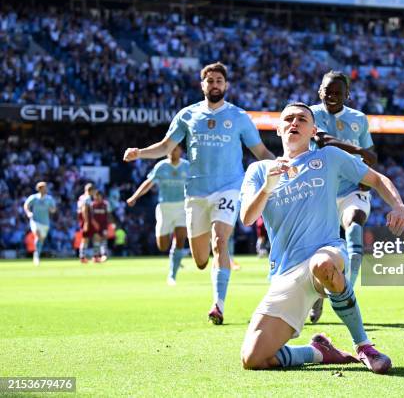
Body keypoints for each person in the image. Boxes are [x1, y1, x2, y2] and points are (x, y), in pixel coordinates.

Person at [239, 102, 404, 374]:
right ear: (278, 128)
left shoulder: (329, 157)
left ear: (313, 129)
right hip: (286, 272)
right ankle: (318, 352)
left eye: (302, 119)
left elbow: (377, 179)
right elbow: (247, 217)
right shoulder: (259, 171)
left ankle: (364, 346)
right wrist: (268, 187)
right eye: (289, 119)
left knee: (322, 263)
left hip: (327, 251)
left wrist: (399, 206)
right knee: (254, 358)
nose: (295, 123)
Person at [124, 62, 274, 323]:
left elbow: (260, 152)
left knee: (220, 241)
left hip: (228, 188)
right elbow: (165, 146)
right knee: (201, 260)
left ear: (225, 85)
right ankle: (208, 269)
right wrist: (140, 153)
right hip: (195, 193)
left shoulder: (239, 117)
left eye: (219, 81)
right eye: (210, 81)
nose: (215, 85)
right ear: (202, 84)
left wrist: (284, 166)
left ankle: (219, 304)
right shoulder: (187, 115)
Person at [308, 70, 377, 323]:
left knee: (355, 222)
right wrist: (358, 151)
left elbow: (371, 154)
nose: (332, 96)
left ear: (347, 94)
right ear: (320, 91)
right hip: (320, 190)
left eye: (338, 92)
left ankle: (347, 290)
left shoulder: (359, 119)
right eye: (328, 91)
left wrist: (367, 176)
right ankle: (316, 298)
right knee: (317, 250)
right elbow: (322, 140)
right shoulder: (311, 113)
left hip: (351, 190)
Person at [127, 146, 190, 285]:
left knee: (180, 240)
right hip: (164, 208)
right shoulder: (161, 166)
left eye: (176, 149)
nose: (173, 152)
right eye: (171, 150)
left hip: (182, 207)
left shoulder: (187, 166)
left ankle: (172, 274)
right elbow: (148, 183)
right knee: (162, 246)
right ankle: (176, 257)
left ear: (180, 151)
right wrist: (134, 197)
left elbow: (197, 183)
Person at [23, 182, 57, 266]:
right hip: (35, 221)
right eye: (43, 188)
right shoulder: (34, 198)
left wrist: (52, 210)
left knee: (41, 239)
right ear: (39, 189)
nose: (45, 189)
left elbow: (54, 209)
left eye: (45, 187)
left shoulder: (49, 199)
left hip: (45, 222)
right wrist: (28, 213)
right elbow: (26, 205)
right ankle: (36, 256)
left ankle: (37, 252)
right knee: (37, 235)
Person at [77, 183, 96, 263]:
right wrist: (87, 222)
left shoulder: (81, 197)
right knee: (86, 238)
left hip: (82, 219)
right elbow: (84, 209)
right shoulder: (87, 198)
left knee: (86, 238)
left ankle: (83, 256)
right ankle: (83, 256)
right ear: (90, 190)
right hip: (86, 219)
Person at [91, 190, 110, 263]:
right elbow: (90, 216)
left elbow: (109, 215)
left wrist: (110, 224)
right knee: (96, 240)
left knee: (103, 240)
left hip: (104, 225)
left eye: (98, 195)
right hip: (95, 226)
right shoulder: (92, 205)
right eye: (96, 196)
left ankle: (104, 255)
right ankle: (96, 256)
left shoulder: (105, 204)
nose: (97, 197)